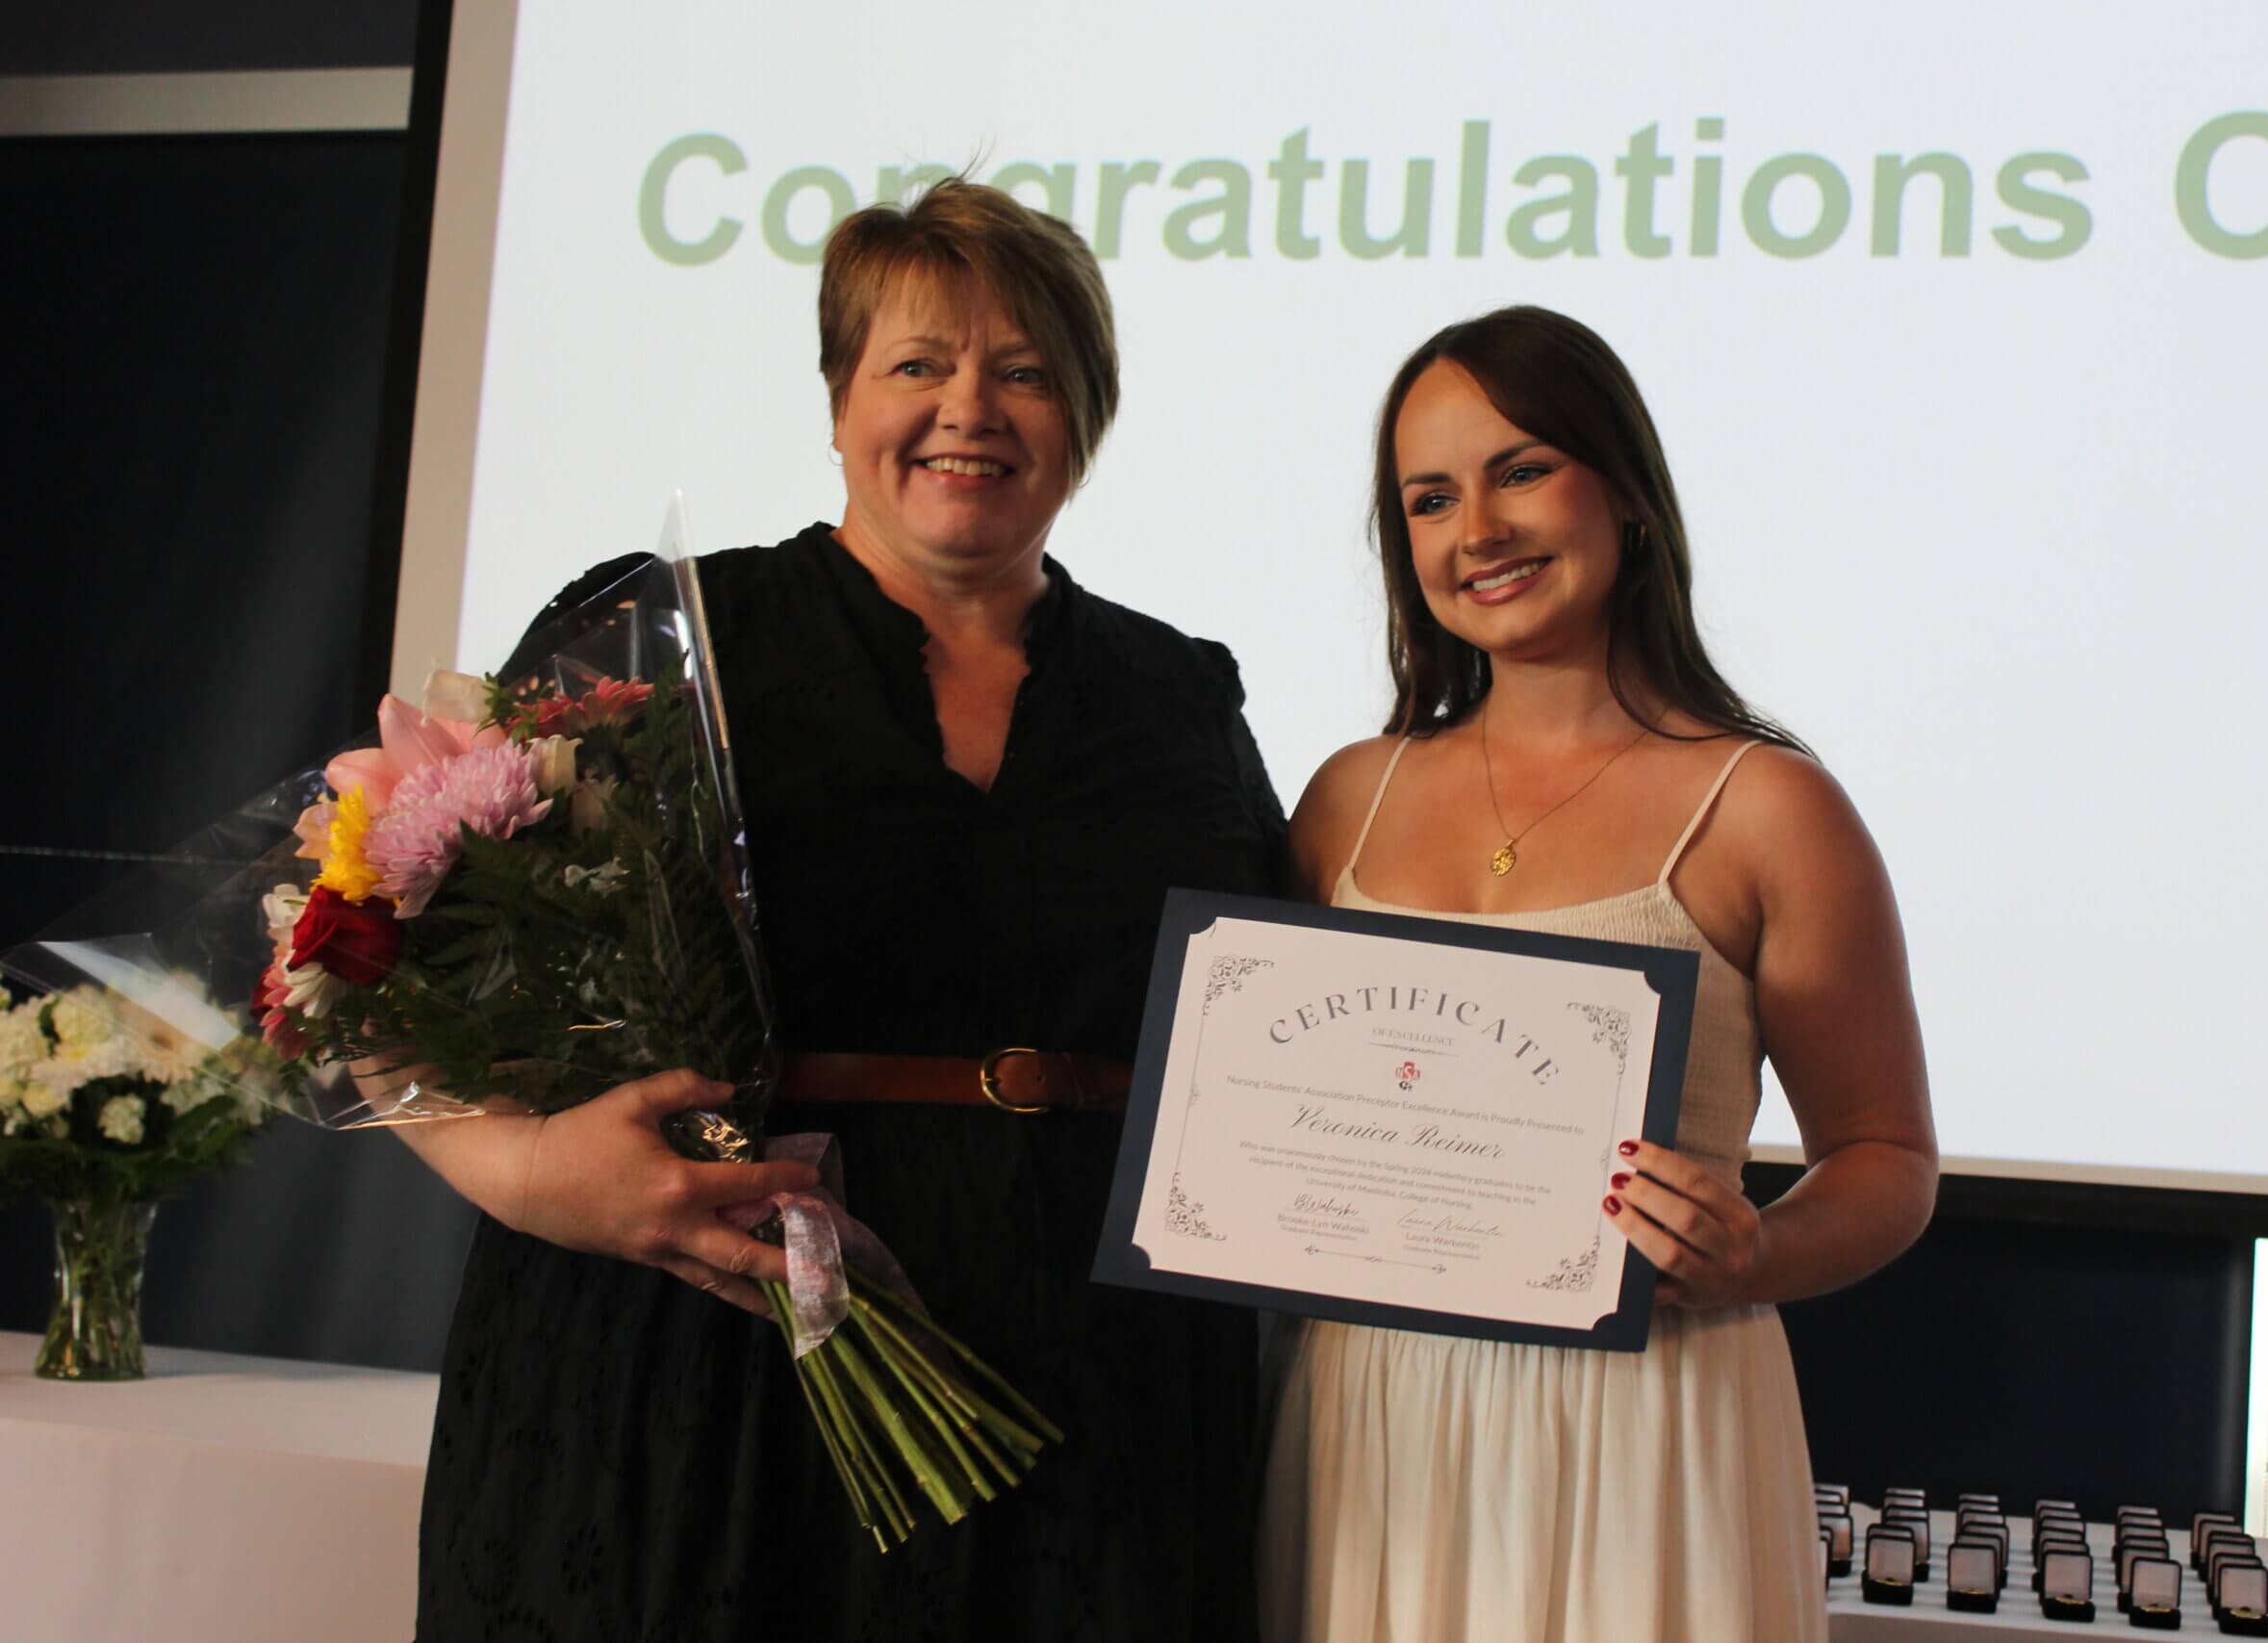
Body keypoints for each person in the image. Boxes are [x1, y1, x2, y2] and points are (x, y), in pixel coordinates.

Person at [394, 181, 1284, 1640]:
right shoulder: (660, 642)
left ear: (1086, 414)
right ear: (837, 399)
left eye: (1025, 372)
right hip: (704, 1351)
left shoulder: (1181, 695)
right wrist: (534, 1174)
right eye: (918, 364)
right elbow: (389, 982)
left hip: (1101, 1382)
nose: (969, 410)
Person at [1258, 306, 1937, 1642]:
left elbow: (1888, 1158)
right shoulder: (1347, 800)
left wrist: (1758, 1252)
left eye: (1521, 471)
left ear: (1624, 494)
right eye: (1430, 498)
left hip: (1649, 1422)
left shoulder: (1766, 808)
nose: (1479, 531)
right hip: (1369, 1426)